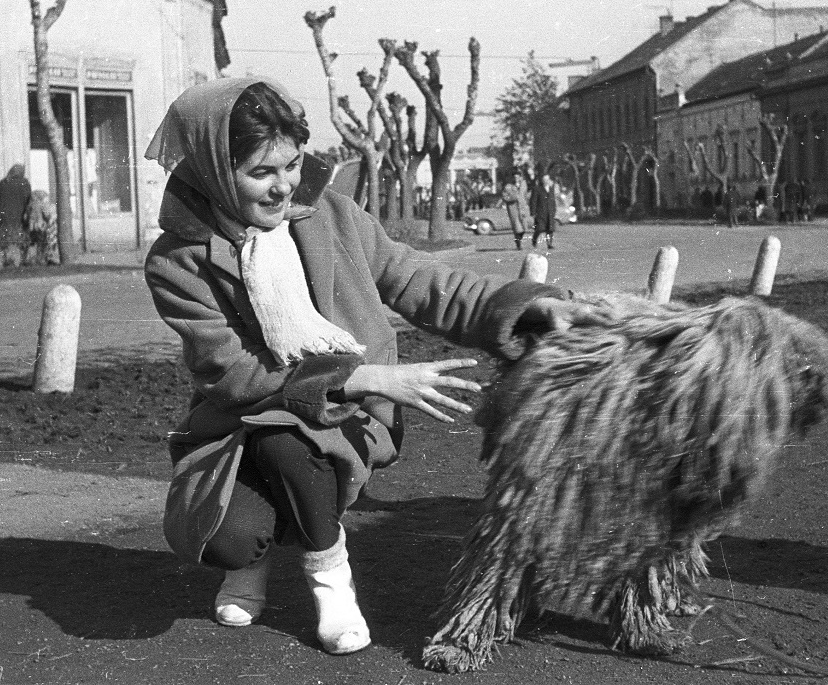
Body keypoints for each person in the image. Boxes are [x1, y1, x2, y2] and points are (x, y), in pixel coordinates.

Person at [142, 77, 590, 656]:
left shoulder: (330, 216)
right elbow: (232, 374)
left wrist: (524, 307)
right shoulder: (177, 262)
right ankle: (250, 566)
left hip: (345, 419)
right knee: (229, 538)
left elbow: (421, 281)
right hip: (237, 424)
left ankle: (333, 587)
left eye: (293, 164)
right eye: (262, 173)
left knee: (288, 445)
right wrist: (365, 376)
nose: (285, 187)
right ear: (214, 171)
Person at [0, 164, 32, 265]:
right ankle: (18, 262)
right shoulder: (24, 183)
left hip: (3, 219)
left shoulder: (3, 183)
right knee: (19, 242)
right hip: (19, 219)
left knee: (3, 242)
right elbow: (29, 203)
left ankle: (1, 262)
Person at [24, 189, 58, 265]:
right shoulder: (42, 206)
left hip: (32, 229)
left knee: (33, 246)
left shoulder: (29, 207)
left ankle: (31, 260)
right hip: (41, 228)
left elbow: (25, 218)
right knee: (43, 245)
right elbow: (48, 216)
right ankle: (45, 259)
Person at [530, 171, 558, 249]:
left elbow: (553, 200)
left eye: (547, 179)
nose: (546, 181)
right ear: (542, 180)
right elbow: (533, 201)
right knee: (539, 229)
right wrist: (533, 212)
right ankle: (534, 240)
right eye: (544, 179)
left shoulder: (551, 188)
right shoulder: (537, 189)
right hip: (541, 212)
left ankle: (549, 244)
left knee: (550, 229)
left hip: (550, 212)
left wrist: (554, 209)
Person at [500, 172, 528, 250]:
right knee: (517, 228)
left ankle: (519, 240)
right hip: (513, 209)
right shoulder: (508, 186)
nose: (516, 178)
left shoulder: (523, 185)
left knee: (524, 228)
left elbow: (525, 195)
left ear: (520, 177)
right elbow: (504, 197)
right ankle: (518, 244)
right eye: (514, 177)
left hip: (522, 209)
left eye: (517, 177)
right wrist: (513, 198)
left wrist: (525, 203)